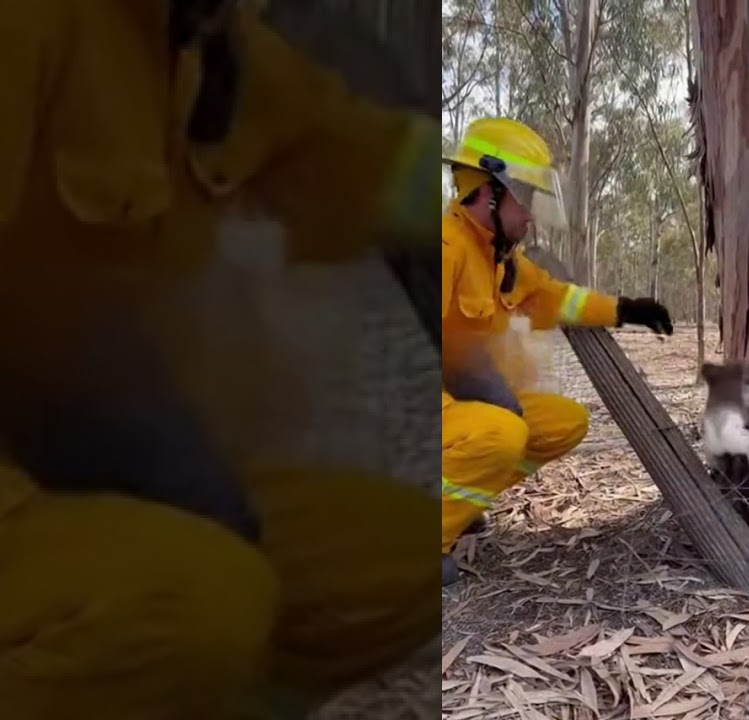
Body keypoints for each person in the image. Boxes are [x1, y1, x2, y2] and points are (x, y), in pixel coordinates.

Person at [0, 2, 444, 718]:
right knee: (206, 604)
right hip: (30, 475)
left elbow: (355, 150)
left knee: (403, 559)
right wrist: (101, 405)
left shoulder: (202, 37)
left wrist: (492, 213)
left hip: (96, 458)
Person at [441, 117, 674, 585]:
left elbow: (556, 297)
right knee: (503, 431)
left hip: (458, 407)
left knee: (563, 423)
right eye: (524, 198)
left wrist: (626, 309)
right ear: (489, 193)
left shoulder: (498, 257)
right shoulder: (445, 250)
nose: (530, 214)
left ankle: (460, 503)